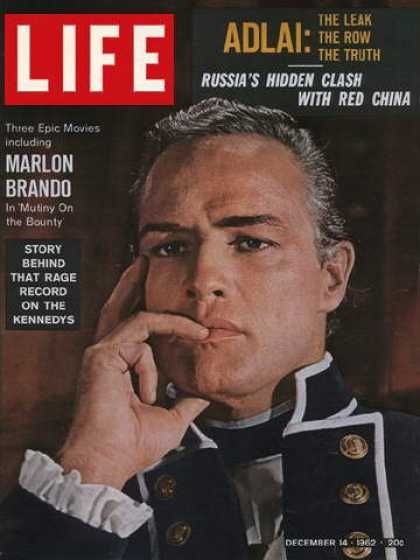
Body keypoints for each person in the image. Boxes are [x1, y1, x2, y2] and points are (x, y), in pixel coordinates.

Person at [1, 98, 420, 560]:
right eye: (171, 247)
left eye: (251, 242)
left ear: (332, 277)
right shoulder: (86, 497)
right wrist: (93, 462)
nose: (202, 280)